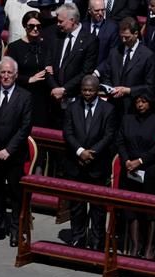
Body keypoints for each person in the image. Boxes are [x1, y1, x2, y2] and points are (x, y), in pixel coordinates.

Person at [0, 57, 33, 244]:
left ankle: (16, 231)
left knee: (15, 193)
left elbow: (25, 127)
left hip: (14, 155)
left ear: (16, 75)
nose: (6, 76)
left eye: (10, 72)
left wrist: (8, 150)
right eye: (3, 72)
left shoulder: (25, 97)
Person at [64, 74, 117, 250]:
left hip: (97, 164)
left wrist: (91, 153)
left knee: (97, 206)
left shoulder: (108, 109)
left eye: (90, 90)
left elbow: (109, 135)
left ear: (97, 90)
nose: (87, 93)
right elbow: (68, 133)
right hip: (76, 163)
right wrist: (80, 152)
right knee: (77, 204)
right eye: (84, 90)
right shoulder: (72, 108)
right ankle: (78, 236)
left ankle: (97, 240)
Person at [117, 92, 155, 258]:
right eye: (138, 101)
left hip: (150, 170)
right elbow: (121, 141)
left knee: (150, 209)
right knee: (131, 208)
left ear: (150, 103)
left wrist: (140, 160)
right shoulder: (127, 119)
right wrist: (126, 161)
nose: (140, 105)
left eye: (144, 101)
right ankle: (135, 244)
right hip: (130, 170)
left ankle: (149, 246)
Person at [101, 16, 155, 115]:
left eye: (126, 37)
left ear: (136, 34)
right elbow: (107, 75)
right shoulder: (115, 52)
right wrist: (110, 89)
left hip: (133, 107)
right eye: (121, 36)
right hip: (113, 105)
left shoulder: (147, 56)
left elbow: (150, 86)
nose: (123, 40)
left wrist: (129, 90)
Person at [8, 10, 51, 128]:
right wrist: (29, 79)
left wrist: (51, 70)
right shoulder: (14, 47)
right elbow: (9, 75)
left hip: (42, 97)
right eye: (31, 26)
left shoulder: (47, 46)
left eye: (38, 26)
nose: (35, 29)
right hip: (22, 94)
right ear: (25, 26)